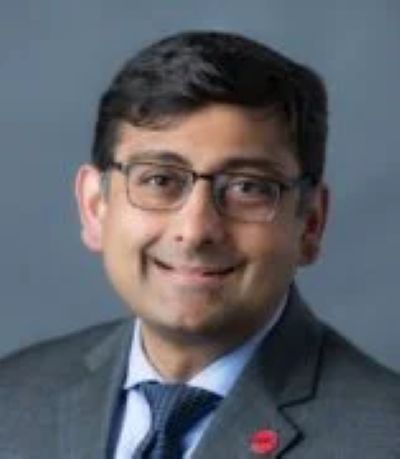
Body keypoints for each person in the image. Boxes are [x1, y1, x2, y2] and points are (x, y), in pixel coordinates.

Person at [0, 31, 398, 459]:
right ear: (95, 207)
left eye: (247, 187)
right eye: (159, 180)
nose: (195, 231)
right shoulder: (14, 398)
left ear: (311, 225)